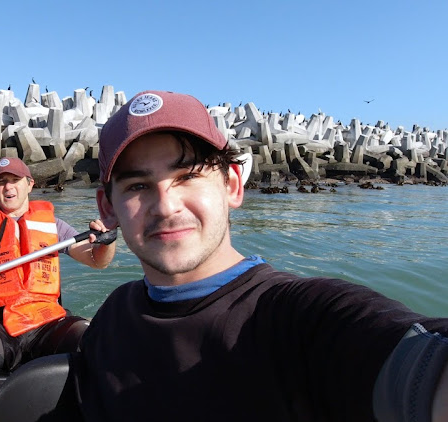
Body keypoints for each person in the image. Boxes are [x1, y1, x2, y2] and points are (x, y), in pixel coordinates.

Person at [74, 90, 448, 421]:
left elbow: (417, 362)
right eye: (138, 185)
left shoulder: (300, 319)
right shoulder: (111, 320)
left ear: (233, 185)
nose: (166, 206)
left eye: (187, 176)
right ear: (108, 209)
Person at [0, 157, 116, 422]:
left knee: (93, 336)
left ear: (29, 184)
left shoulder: (55, 226)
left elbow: (96, 260)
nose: (7, 187)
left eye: (14, 180)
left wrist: (106, 242)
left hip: (47, 321)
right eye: (0, 182)